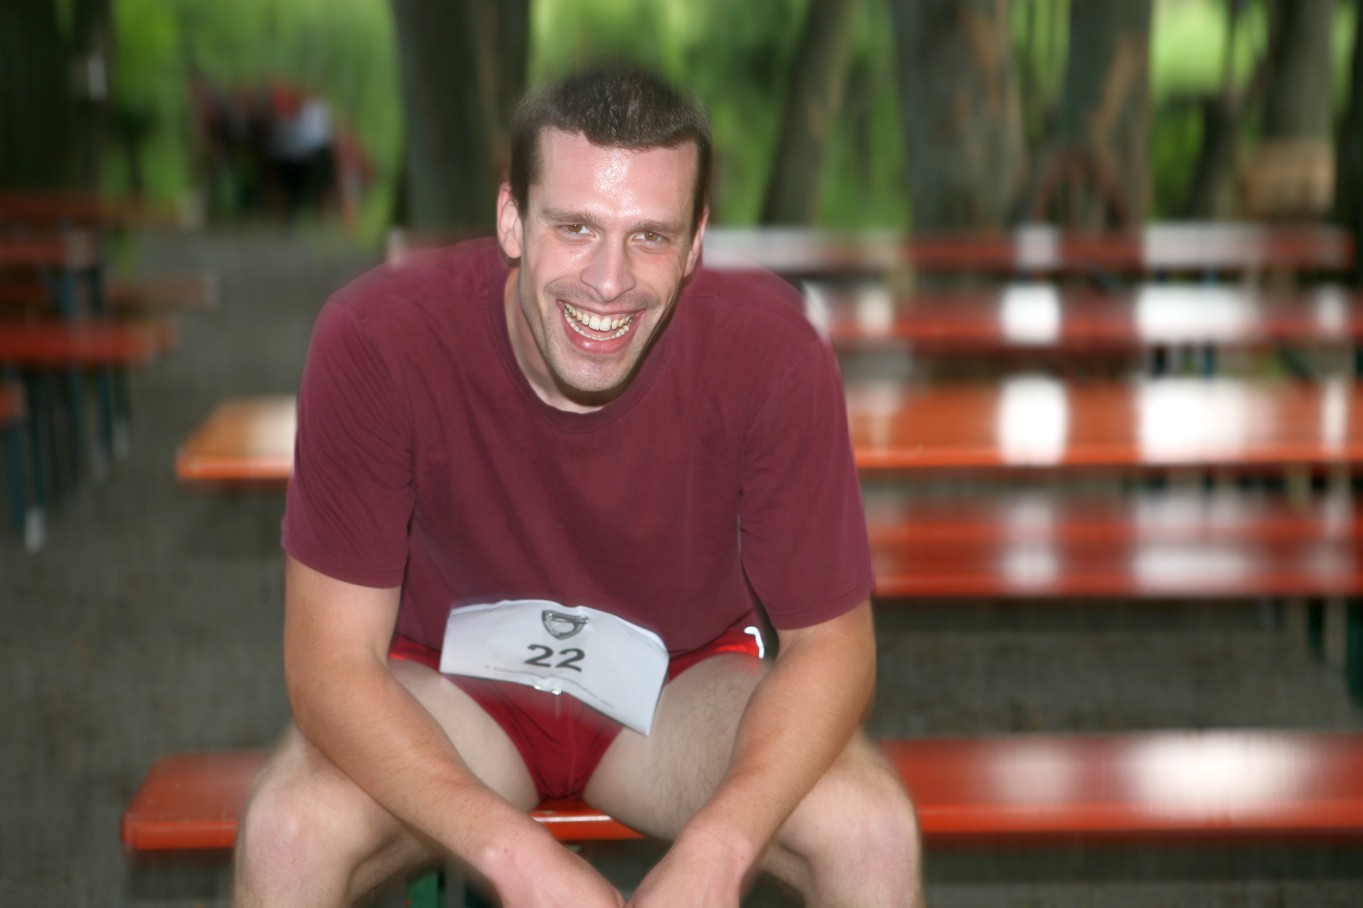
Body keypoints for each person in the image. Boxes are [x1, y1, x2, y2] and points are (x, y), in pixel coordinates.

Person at [232, 62, 922, 907]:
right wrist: (518, 859)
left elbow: (834, 648)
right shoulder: (377, 339)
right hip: (453, 690)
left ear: (695, 242)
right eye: (574, 227)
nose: (608, 279)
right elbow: (329, 667)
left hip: (675, 687)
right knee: (287, 834)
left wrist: (722, 848)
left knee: (872, 832)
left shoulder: (772, 350)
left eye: (650, 236)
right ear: (511, 219)